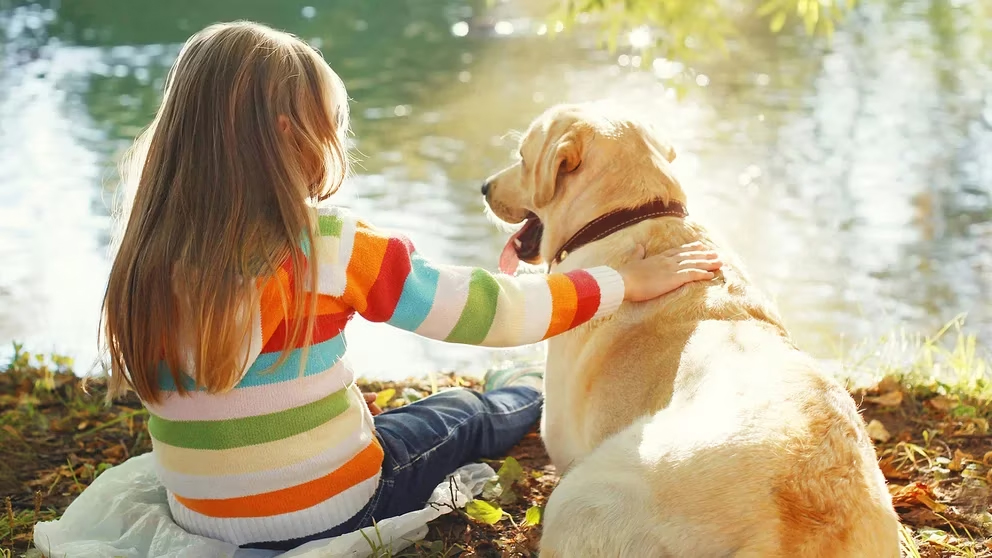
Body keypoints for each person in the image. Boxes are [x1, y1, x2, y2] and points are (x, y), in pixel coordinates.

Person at [99, 21, 723, 551]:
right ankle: (524, 392)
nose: (337, 141)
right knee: (458, 415)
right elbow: (487, 312)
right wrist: (619, 281)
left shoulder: (146, 251)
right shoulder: (324, 245)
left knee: (378, 416)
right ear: (291, 132)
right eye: (332, 125)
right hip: (331, 512)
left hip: (200, 516)